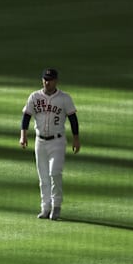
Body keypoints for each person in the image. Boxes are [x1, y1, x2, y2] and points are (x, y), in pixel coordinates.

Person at [19, 68, 80, 220]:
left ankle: (57, 205)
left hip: (57, 141)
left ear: (56, 81)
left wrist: (76, 139)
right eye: (45, 79)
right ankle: (45, 208)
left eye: (50, 79)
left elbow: (73, 119)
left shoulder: (64, 98)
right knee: (43, 177)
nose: (47, 82)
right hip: (40, 141)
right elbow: (26, 116)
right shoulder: (34, 96)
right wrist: (23, 136)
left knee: (55, 172)